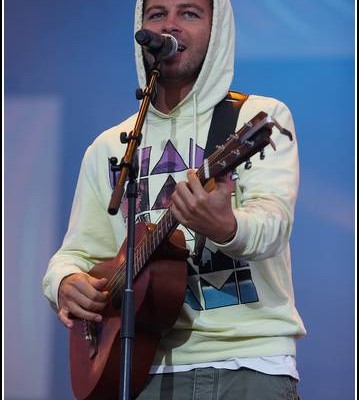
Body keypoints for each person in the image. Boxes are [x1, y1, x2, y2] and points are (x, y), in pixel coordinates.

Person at [42, 0, 306, 399]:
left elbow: (274, 225)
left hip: (247, 363)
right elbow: (76, 253)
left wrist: (226, 226)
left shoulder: (256, 117)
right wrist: (64, 282)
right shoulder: (111, 146)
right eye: (157, 14)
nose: (170, 25)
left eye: (189, 13)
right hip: (138, 366)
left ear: (217, 29)